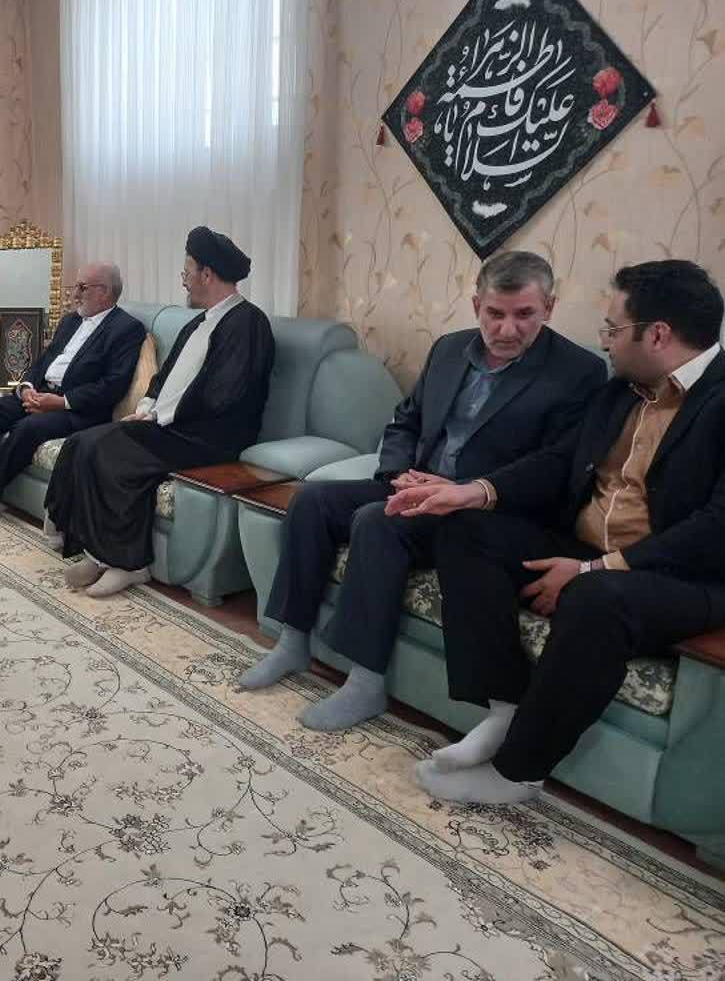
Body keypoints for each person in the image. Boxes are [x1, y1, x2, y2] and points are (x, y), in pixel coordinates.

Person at [385, 259, 725, 805]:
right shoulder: (623, 391)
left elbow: (715, 528)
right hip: (588, 549)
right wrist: (470, 492)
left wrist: (592, 569)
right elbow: (560, 460)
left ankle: (517, 774)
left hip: (682, 576)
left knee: (595, 598)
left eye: (613, 328)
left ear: (657, 335)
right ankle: (504, 706)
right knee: (465, 529)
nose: (605, 341)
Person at [238, 251, 607, 734]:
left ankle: (365, 682)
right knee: (311, 499)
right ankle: (291, 642)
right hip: (417, 485)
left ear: (549, 307)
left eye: (524, 314)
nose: (507, 329)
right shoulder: (450, 349)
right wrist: (398, 474)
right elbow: (405, 420)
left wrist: (464, 490)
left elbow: (555, 466)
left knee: (378, 521)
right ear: (476, 305)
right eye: (495, 313)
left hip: (485, 512)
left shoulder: (578, 372)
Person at [44, 226, 275, 598]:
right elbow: (163, 378)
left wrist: (159, 417)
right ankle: (99, 553)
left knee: (111, 452)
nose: (183, 281)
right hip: (173, 426)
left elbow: (223, 394)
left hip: (209, 437)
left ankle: (130, 564)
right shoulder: (198, 321)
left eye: (187, 272)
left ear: (206, 274)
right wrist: (147, 407)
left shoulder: (248, 323)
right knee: (85, 442)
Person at [0, 262, 145, 527]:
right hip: (41, 394)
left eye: (82, 287)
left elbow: (113, 385)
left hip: (78, 410)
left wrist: (62, 402)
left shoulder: (126, 329)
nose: (75, 294)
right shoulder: (70, 321)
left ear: (104, 292)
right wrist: (26, 388)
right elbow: (43, 361)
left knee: (27, 427)